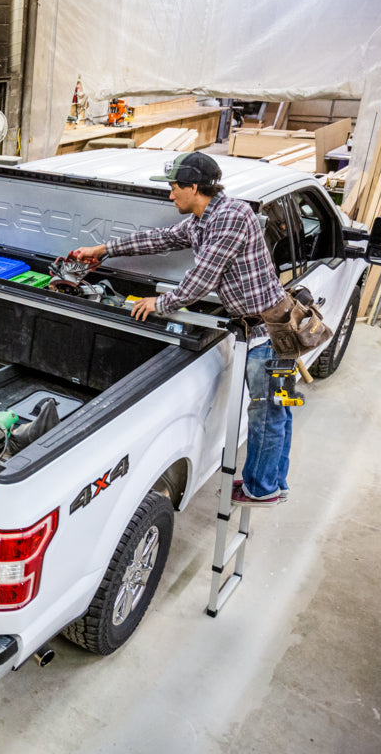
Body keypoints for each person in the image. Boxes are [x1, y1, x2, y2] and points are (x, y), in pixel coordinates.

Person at [70, 151, 291, 507]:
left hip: (269, 333)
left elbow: (203, 278)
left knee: (268, 411)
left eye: (174, 188)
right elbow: (158, 239)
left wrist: (159, 303)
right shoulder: (203, 220)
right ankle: (271, 483)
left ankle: (262, 488)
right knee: (277, 409)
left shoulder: (232, 217)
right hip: (261, 327)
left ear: (193, 187)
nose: (170, 195)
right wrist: (103, 249)